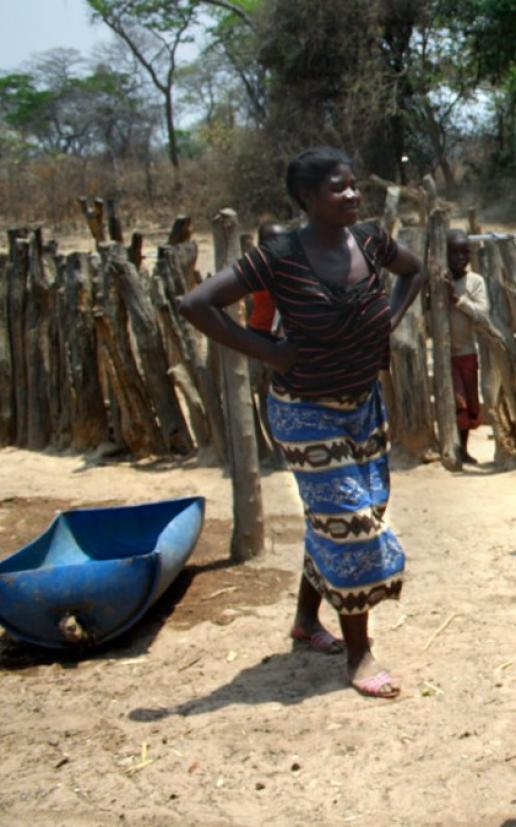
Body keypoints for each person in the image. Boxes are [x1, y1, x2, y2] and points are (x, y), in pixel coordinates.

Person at [179, 147, 424, 699]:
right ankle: (359, 654)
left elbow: (414, 272)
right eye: (339, 188)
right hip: (306, 412)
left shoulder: (370, 241)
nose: (353, 195)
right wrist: (269, 351)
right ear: (308, 199)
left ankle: (304, 621)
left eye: (354, 185)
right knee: (353, 527)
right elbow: (197, 303)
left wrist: (390, 318)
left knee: (336, 520)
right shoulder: (280, 255)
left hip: (364, 405)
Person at [445, 228, 501, 463]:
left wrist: (458, 300)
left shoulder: (475, 282)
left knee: (468, 403)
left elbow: (482, 313)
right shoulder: (439, 280)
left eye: (464, 253)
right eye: (454, 253)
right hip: (444, 355)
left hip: (466, 351)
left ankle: (463, 449)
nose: (460, 258)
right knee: (454, 401)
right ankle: (452, 448)